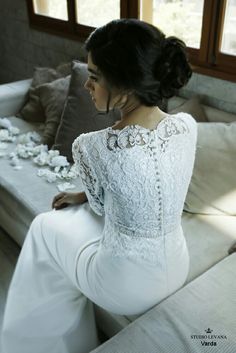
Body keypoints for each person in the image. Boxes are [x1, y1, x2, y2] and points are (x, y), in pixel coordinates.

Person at [1, 19, 197, 353]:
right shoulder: (187, 126)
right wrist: (81, 194)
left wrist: (84, 196)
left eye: (94, 77)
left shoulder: (93, 147)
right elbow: (137, 189)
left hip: (124, 287)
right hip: (178, 264)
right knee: (64, 226)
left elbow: (101, 207)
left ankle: (37, 341)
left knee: (44, 227)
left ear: (126, 83)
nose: (87, 87)